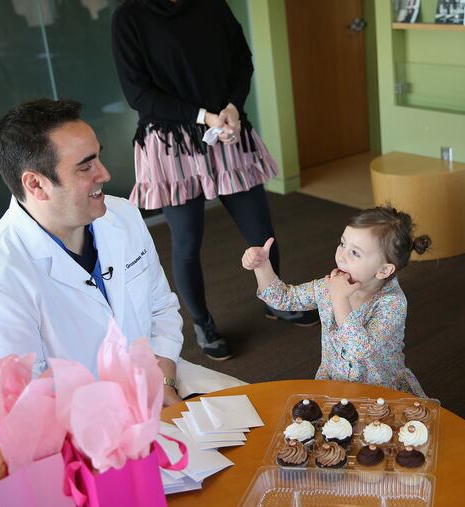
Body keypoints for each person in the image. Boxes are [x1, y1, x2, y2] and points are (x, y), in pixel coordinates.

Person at [0, 99, 244, 406]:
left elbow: (160, 307)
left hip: (159, 377)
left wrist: (164, 380)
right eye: (85, 166)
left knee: (277, 423)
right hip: (79, 432)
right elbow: (24, 409)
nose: (104, 174)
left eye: (98, 158)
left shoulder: (124, 216)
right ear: (36, 184)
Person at [111, 0, 317, 361]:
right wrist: (204, 116)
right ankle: (202, 322)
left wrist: (233, 108)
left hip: (228, 132)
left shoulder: (212, 5)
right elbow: (138, 94)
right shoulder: (130, 17)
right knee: (187, 241)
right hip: (171, 142)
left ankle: (276, 299)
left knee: (261, 232)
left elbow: (242, 60)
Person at [241, 206, 431, 396]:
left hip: (379, 392)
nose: (341, 255)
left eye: (355, 253)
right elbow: (284, 298)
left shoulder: (392, 303)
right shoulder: (329, 286)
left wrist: (339, 298)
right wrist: (262, 266)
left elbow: (359, 349)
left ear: (383, 271)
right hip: (333, 385)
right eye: (342, 244)